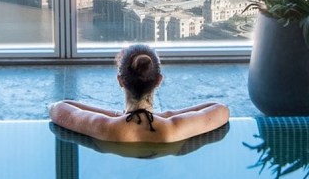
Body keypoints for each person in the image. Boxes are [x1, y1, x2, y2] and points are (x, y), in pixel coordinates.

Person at [48, 44, 230, 144]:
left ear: (121, 80)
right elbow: (221, 110)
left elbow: (58, 108)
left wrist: (115, 116)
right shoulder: (173, 127)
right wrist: (164, 116)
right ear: (159, 80)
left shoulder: (105, 126)